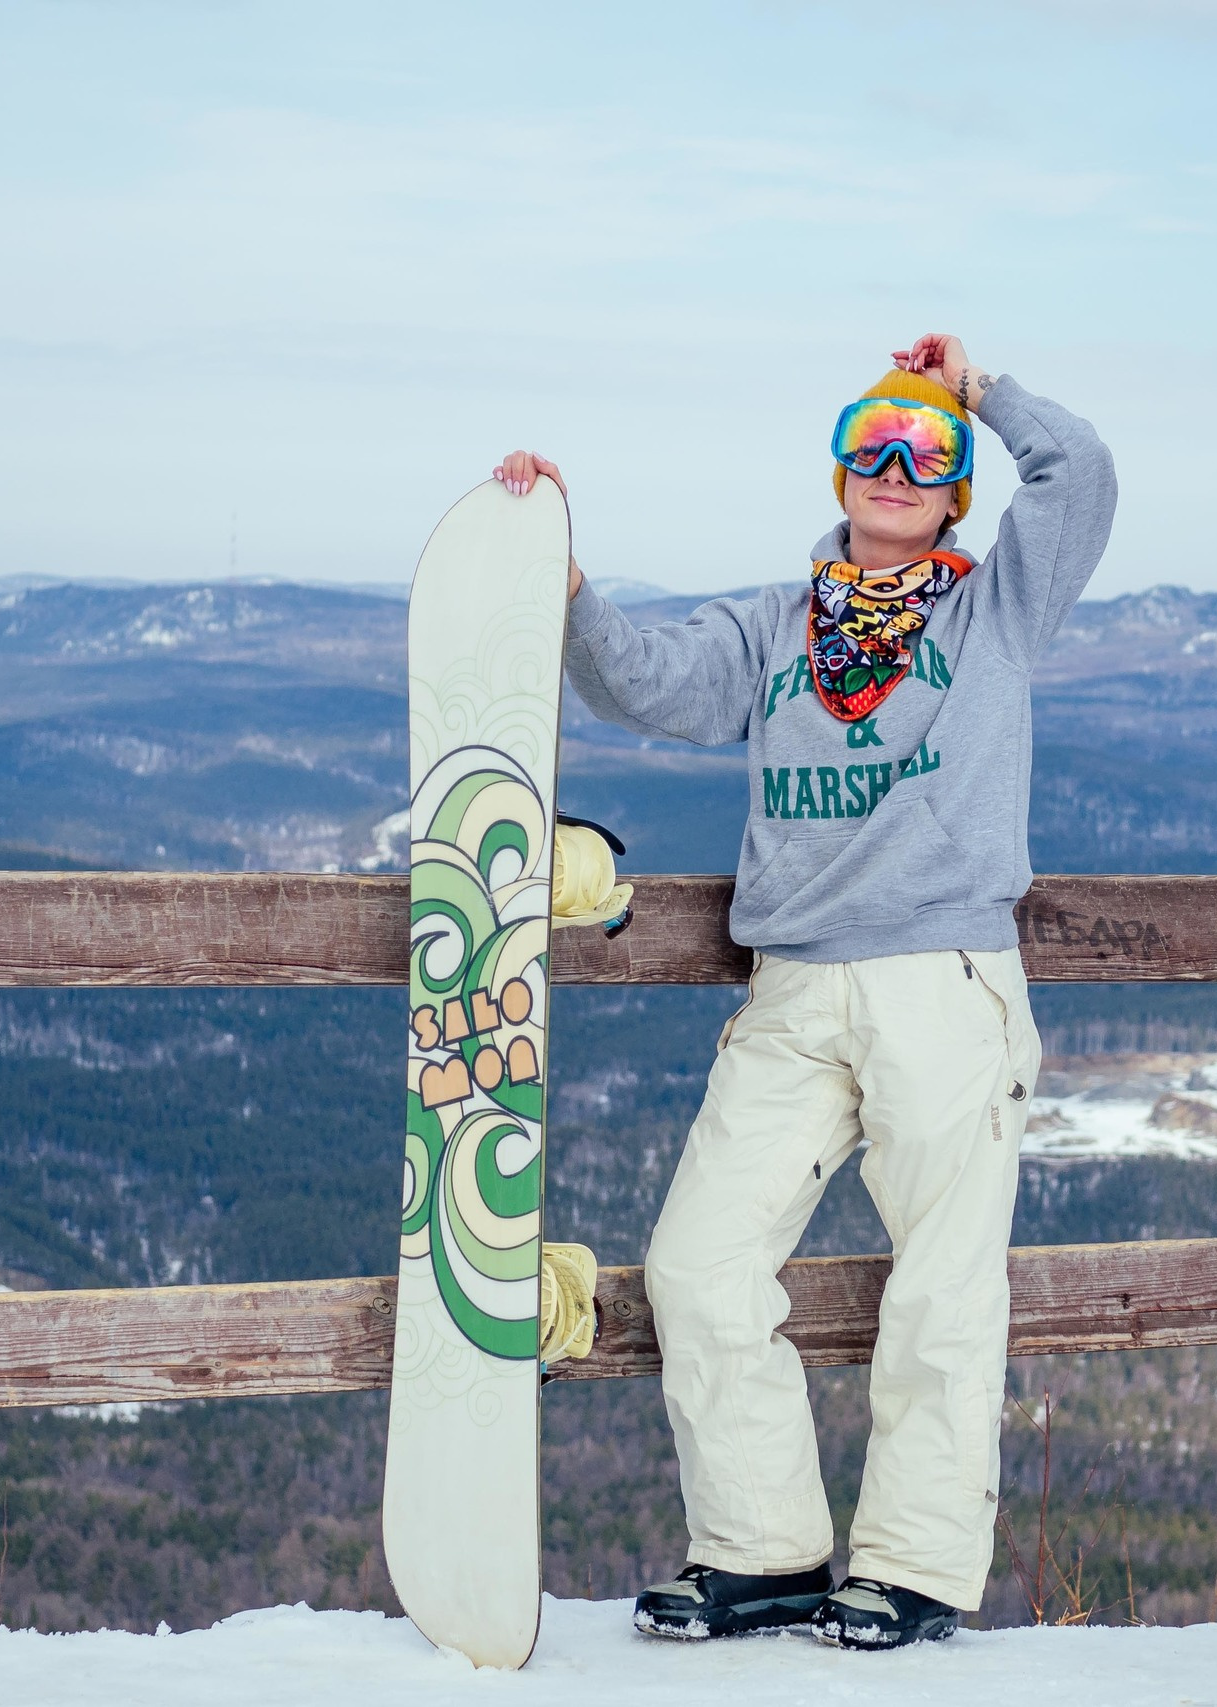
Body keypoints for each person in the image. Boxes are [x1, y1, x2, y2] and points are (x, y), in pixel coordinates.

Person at [493, 333, 1116, 1650]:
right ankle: (766, 1553)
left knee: (945, 1288)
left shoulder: (992, 611)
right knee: (699, 1264)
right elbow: (643, 682)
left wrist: (984, 394)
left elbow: (1083, 476)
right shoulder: (777, 624)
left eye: (926, 454)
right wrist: (564, 586)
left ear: (955, 494)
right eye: (871, 446)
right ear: (839, 472)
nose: (895, 468)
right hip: (791, 993)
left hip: (942, 987)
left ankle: (919, 1570)